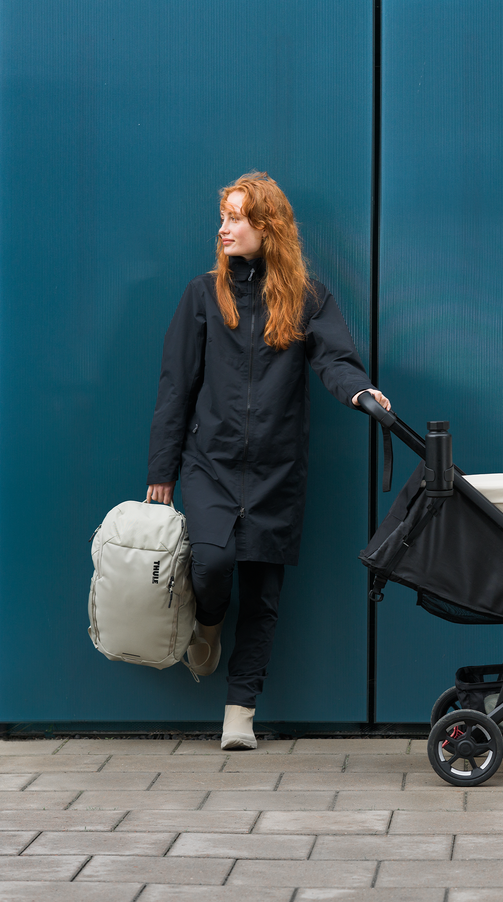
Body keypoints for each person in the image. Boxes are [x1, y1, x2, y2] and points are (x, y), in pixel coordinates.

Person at [146, 171, 389, 750]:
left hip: (278, 468)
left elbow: (336, 360)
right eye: (224, 217)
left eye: (236, 218)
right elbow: (176, 385)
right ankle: (207, 623)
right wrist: (163, 469)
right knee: (210, 563)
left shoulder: (309, 297)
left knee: (263, 594)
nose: (224, 229)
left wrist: (360, 392)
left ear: (267, 226)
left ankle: (239, 712)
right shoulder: (203, 294)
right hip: (211, 462)